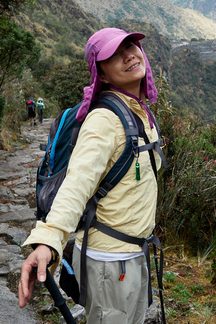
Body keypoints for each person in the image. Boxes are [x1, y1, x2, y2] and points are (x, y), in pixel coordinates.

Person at [18, 27, 163, 324]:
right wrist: (48, 240)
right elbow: (76, 185)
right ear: (103, 75)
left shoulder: (137, 111)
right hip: (112, 263)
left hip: (132, 254)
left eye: (130, 46)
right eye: (115, 55)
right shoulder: (105, 120)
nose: (129, 56)